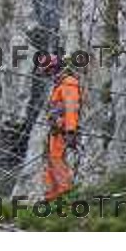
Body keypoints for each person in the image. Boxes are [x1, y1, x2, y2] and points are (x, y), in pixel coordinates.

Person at [38, 54, 82, 201]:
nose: (47, 75)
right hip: (56, 132)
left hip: (63, 131)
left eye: (48, 71)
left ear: (55, 68)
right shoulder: (59, 85)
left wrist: (70, 131)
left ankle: (64, 194)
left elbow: (71, 108)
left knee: (58, 160)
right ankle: (52, 195)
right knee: (51, 161)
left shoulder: (69, 83)